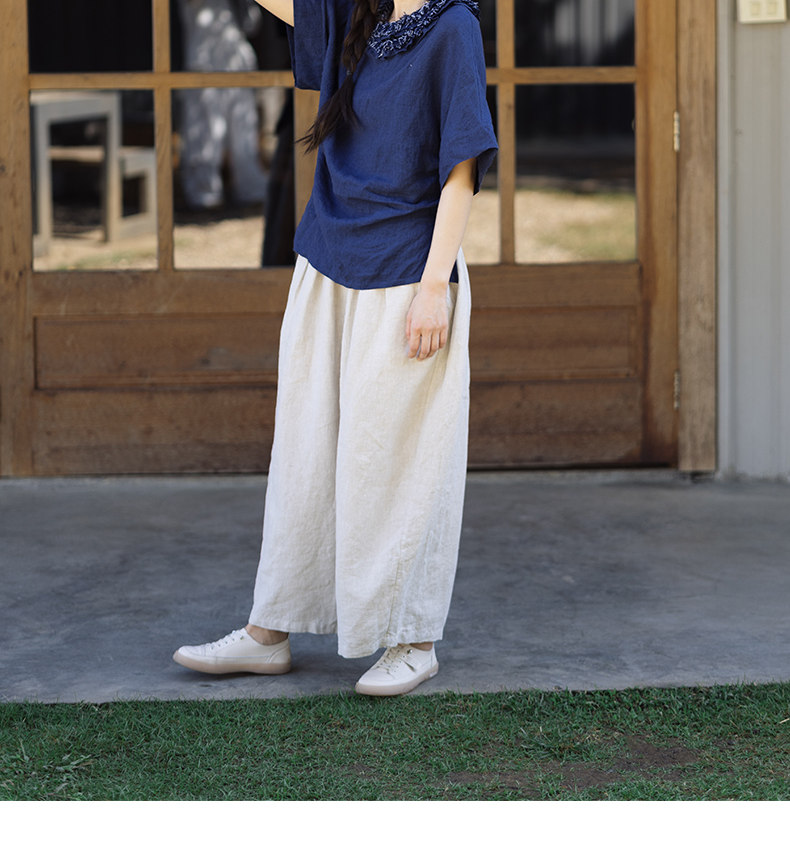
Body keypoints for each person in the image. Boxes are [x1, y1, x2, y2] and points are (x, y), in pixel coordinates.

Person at [173, 0, 498, 696]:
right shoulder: (357, 13)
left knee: (397, 461)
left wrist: (434, 287)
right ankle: (270, 630)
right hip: (327, 261)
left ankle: (413, 638)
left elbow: (462, 168)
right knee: (305, 454)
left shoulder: (455, 28)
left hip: (408, 274)